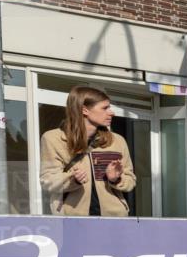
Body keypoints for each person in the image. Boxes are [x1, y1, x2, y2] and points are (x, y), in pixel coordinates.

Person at [39, 86, 135, 216]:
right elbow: (48, 181)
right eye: (105, 108)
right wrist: (73, 180)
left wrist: (115, 179)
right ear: (85, 110)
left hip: (113, 218)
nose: (111, 112)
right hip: (72, 218)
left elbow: (130, 180)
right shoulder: (53, 138)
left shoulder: (117, 141)